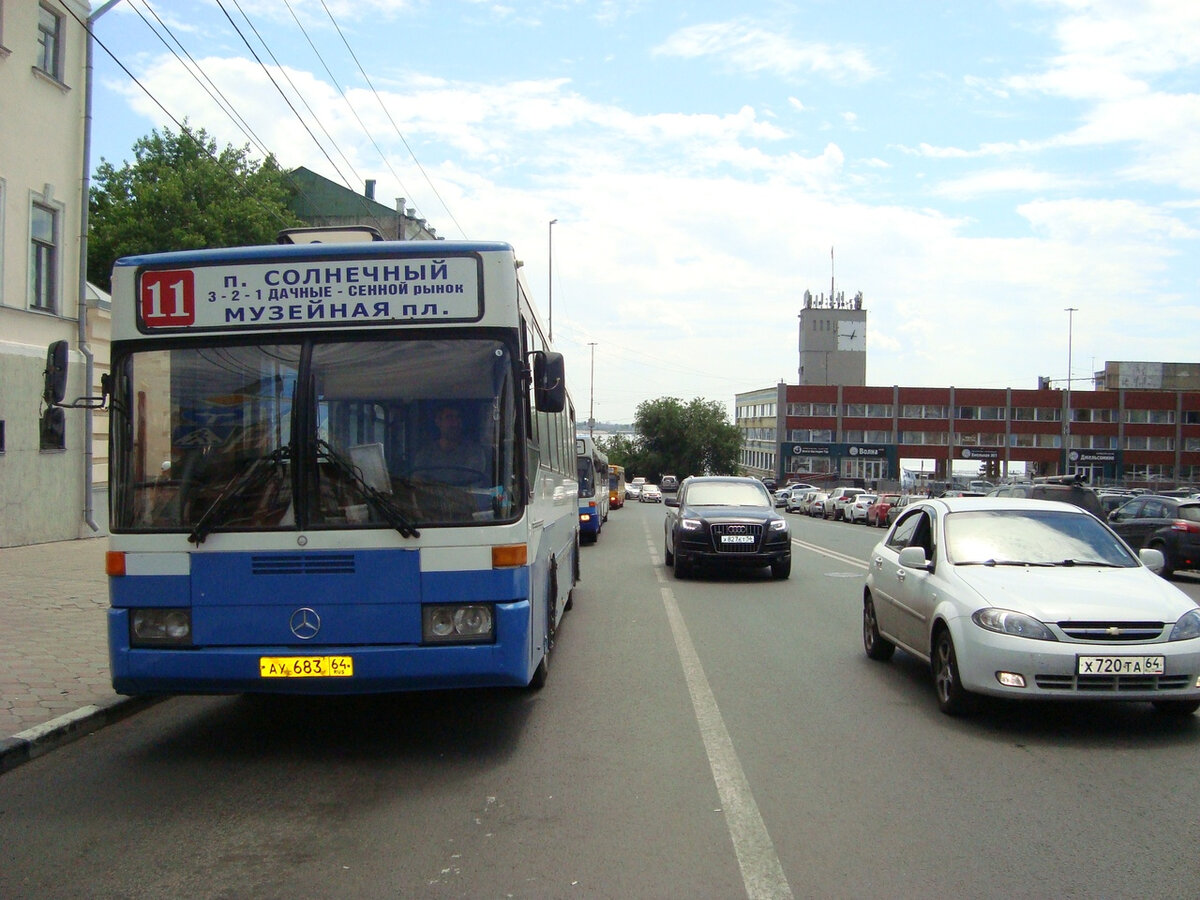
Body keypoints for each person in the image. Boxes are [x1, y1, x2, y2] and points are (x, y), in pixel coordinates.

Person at [411, 403, 490, 484]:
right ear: (438, 422)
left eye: (458, 417)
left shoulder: (475, 453)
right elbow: (418, 483)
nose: (455, 423)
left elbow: (474, 486)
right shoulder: (425, 454)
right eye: (449, 417)